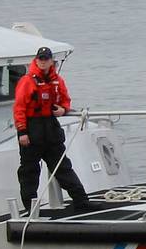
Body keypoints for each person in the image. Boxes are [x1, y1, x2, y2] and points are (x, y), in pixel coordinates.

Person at [13, 47, 94, 212]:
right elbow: (19, 108)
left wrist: (63, 110)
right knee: (29, 172)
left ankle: (81, 201)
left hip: (50, 128)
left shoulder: (58, 80)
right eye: (40, 58)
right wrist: (22, 132)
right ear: (36, 60)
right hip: (32, 128)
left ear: (51, 61)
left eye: (46, 59)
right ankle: (31, 209)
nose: (43, 61)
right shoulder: (27, 81)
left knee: (63, 167)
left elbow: (65, 99)